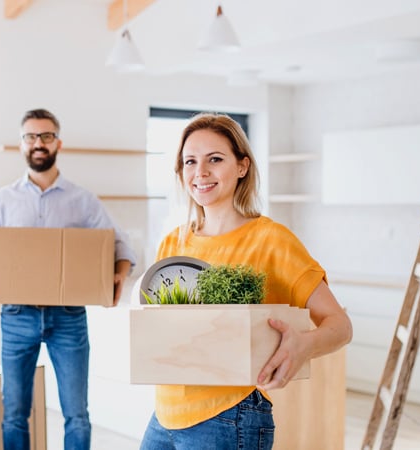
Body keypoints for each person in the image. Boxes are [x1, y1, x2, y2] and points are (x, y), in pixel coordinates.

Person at [139, 113, 353, 450]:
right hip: (165, 414)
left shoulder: (271, 240)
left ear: (242, 166)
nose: (201, 172)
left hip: (229, 414)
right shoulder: (172, 243)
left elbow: (340, 324)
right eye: (190, 161)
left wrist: (305, 344)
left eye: (215, 159)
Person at [0, 108, 136, 450]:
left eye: (46, 136)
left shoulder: (82, 200)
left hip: (69, 317)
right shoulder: (3, 200)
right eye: (31, 137)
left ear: (58, 142)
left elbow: (121, 244)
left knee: (76, 414)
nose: (38, 143)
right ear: (22, 145)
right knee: (15, 413)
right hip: (17, 316)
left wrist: (119, 277)